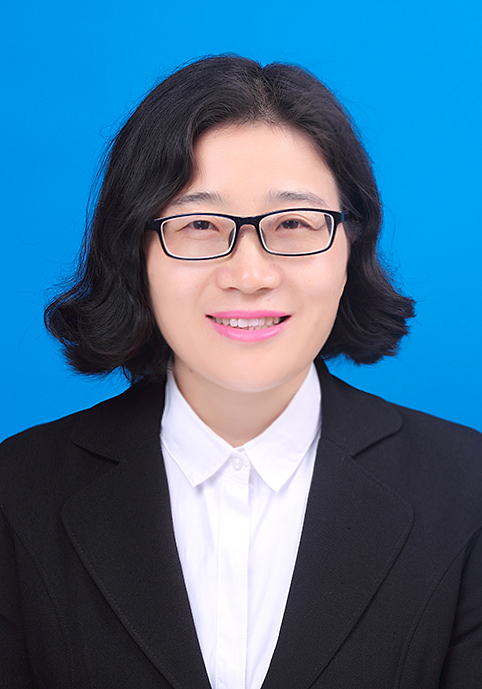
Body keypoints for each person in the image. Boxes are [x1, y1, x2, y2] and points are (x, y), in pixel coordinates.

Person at [0, 55, 481, 689]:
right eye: (199, 224)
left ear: (351, 247)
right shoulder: (17, 491)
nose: (250, 275)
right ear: (135, 251)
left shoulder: (468, 488)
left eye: (294, 223)